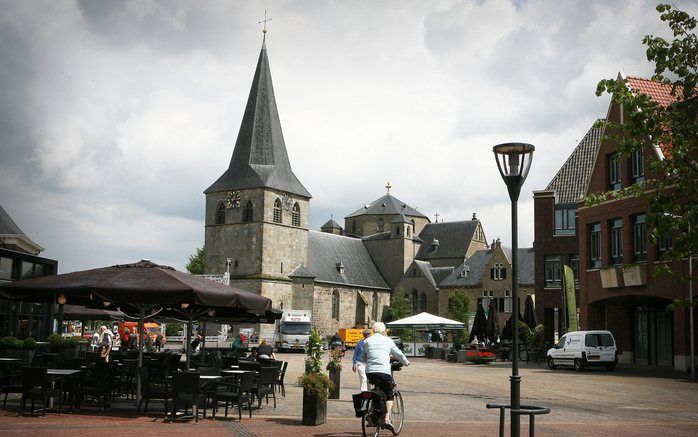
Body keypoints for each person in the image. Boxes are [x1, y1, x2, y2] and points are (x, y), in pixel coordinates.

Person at [363, 322, 409, 432]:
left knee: (376, 389)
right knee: (389, 394)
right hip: (383, 372)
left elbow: (364, 357)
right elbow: (399, 354)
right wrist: (406, 362)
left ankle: (373, 410)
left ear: (373, 330)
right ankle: (387, 419)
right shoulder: (388, 340)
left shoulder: (367, 341)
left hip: (370, 372)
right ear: (384, 331)